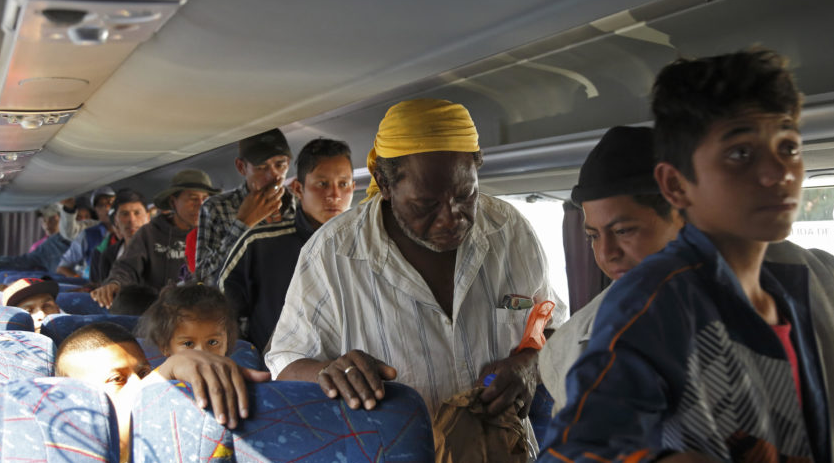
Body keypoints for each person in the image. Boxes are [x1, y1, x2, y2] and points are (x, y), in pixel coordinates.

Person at [537, 48, 834, 463]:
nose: (776, 174)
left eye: (788, 147)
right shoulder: (611, 330)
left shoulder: (824, 283)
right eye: (740, 155)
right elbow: (574, 455)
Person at [267, 99, 567, 425]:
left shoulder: (509, 229)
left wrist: (528, 364)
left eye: (466, 196)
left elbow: (550, 326)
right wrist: (328, 372)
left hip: (504, 456)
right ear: (384, 184)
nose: (451, 219)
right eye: (426, 205)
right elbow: (286, 364)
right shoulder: (332, 252)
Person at [537, 126, 682, 414]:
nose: (606, 254)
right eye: (593, 236)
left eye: (623, 230)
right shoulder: (570, 347)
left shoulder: (760, 304)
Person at [55, 322, 270, 463]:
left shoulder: (187, 452)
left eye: (144, 373)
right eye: (117, 379)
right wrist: (165, 372)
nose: (142, 384)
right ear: (77, 401)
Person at [217, 138, 354, 351]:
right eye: (322, 184)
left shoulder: (365, 246)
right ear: (298, 189)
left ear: (354, 187)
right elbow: (223, 315)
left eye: (343, 184)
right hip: (275, 373)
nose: (334, 195)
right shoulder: (260, 244)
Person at [91, 170, 219, 308]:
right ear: (173, 202)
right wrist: (114, 283)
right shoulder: (149, 234)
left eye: (205, 199)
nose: (200, 205)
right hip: (157, 313)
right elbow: (127, 267)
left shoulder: (213, 234)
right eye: (193, 198)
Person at [196, 129, 294, 285]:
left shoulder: (302, 205)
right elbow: (204, 277)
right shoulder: (216, 208)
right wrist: (242, 224)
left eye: (280, 165)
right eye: (261, 167)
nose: (273, 175)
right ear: (241, 167)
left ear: (288, 164)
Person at [135, 284, 238, 357]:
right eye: (188, 344)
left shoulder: (236, 378)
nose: (202, 354)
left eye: (213, 342)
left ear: (227, 342)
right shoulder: (162, 383)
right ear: (165, 347)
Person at [57, 187, 116, 279]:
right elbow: (62, 267)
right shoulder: (90, 232)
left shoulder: (132, 230)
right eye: (101, 205)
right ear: (95, 210)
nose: (107, 208)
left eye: (110, 203)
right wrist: (83, 281)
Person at [95, 189, 152, 283]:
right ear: (116, 221)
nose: (132, 220)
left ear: (148, 218)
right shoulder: (108, 256)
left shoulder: (162, 250)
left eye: (137, 213)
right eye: (124, 214)